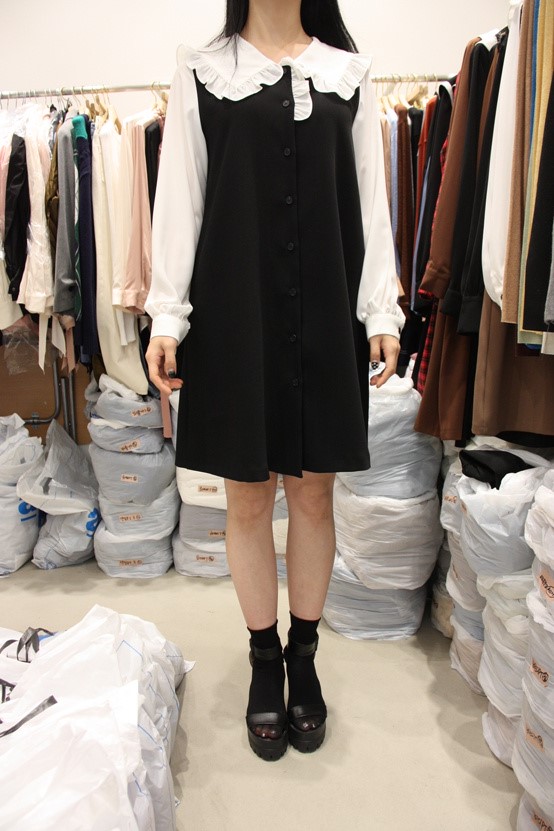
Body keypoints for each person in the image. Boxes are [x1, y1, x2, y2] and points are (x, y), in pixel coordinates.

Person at [145, 0, 404, 762]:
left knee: (315, 493)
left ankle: (304, 655)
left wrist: (381, 308)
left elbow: (372, 201)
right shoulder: (202, 71)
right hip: (237, 311)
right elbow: (181, 199)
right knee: (249, 497)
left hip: (324, 308)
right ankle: (264, 657)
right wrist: (167, 316)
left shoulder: (348, 74)